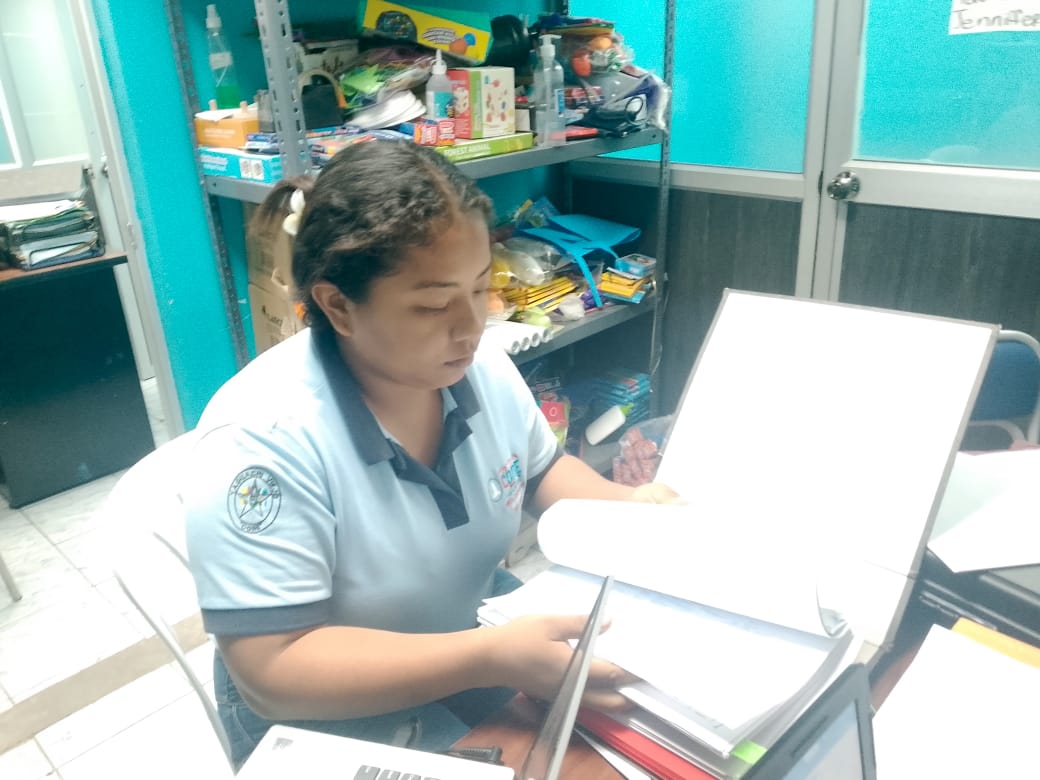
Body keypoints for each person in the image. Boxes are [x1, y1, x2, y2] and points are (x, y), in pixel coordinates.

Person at [182, 140, 678, 769]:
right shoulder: (263, 442)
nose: (470, 326)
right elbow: (273, 669)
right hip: (322, 696)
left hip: (461, 627)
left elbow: (543, 471)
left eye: (480, 288)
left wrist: (630, 507)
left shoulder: (480, 369)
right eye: (434, 305)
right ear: (338, 306)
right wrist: (489, 657)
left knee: (629, 734)